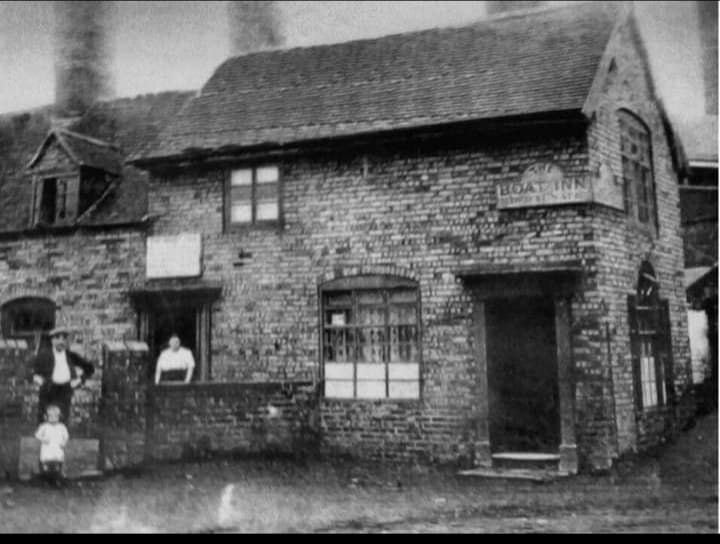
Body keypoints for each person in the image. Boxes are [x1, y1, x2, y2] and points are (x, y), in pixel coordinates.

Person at [32, 327, 95, 425]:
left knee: (62, 418)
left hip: (65, 389)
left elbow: (90, 368)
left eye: (64, 338)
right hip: (49, 388)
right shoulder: (44, 355)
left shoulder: (71, 356)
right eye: (57, 338)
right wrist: (39, 380)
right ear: (52, 340)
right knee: (45, 418)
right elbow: (33, 370)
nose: (61, 341)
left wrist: (79, 380)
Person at [35, 403, 69, 486]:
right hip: (47, 449)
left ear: (59, 417)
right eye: (51, 416)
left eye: (56, 416)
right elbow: (37, 435)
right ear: (46, 417)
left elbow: (66, 436)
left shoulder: (61, 427)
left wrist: (64, 442)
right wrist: (43, 439)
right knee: (46, 465)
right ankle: (46, 480)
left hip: (57, 449)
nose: (54, 419)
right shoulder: (44, 426)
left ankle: (57, 480)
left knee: (57, 465)